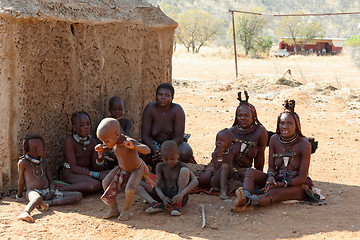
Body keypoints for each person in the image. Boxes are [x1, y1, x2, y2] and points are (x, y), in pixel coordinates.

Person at [232, 100, 312, 211]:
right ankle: (245, 196)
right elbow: (271, 167)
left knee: (273, 192)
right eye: (282, 123)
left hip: (296, 185)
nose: (285, 127)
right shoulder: (274, 139)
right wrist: (270, 176)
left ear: (297, 126)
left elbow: (302, 178)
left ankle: (248, 202)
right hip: (276, 180)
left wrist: (279, 184)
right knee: (250, 172)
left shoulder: (304, 144)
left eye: (289, 124)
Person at [198, 91, 268, 188]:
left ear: (253, 116)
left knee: (251, 180)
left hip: (242, 169)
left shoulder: (260, 131)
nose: (243, 118)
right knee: (204, 179)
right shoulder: (230, 132)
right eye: (240, 116)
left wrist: (258, 175)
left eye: (246, 116)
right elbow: (218, 155)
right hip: (222, 165)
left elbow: (260, 158)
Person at [96, 118, 154, 221]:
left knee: (130, 189)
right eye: (103, 141)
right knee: (105, 182)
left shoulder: (128, 142)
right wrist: (102, 150)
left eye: (106, 141)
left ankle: (126, 210)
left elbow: (147, 150)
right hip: (122, 167)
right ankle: (114, 209)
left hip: (136, 168)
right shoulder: (113, 141)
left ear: (117, 134)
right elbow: (109, 147)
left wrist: (134, 146)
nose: (105, 143)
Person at [17, 134, 82, 223]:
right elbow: (21, 181)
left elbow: (51, 181)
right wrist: (19, 195)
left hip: (48, 192)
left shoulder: (44, 162)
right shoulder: (23, 163)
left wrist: (51, 192)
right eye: (43, 148)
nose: (45, 150)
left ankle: (48, 203)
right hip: (33, 191)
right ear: (35, 150)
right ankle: (25, 212)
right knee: (37, 198)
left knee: (78, 195)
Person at [141, 83, 194, 171]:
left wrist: (166, 150)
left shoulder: (177, 110)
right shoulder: (150, 109)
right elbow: (145, 136)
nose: (163, 98)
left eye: (167, 95)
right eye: (160, 94)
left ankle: (167, 163)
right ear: (156, 96)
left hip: (173, 144)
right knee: (140, 152)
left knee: (185, 152)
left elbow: (179, 137)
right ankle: (158, 162)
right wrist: (156, 150)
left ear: (172, 98)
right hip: (154, 145)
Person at [137, 140, 198, 216]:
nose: (169, 162)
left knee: (185, 171)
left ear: (178, 155)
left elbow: (195, 181)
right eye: (166, 159)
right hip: (163, 195)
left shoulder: (182, 165)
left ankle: (177, 205)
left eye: (172, 159)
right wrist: (163, 198)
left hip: (178, 196)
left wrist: (181, 194)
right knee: (137, 184)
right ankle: (155, 203)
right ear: (161, 156)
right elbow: (157, 186)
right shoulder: (160, 166)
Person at [61, 111, 109, 194]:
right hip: (71, 174)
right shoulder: (70, 141)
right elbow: (74, 168)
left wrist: (100, 158)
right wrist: (96, 175)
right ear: (74, 127)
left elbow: (95, 167)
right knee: (95, 184)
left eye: (88, 124)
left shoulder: (93, 142)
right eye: (82, 125)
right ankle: (61, 189)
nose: (86, 127)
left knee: (114, 174)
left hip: (87, 174)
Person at [210, 128, 236, 200]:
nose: (218, 142)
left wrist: (234, 170)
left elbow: (231, 164)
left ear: (229, 143)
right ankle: (223, 192)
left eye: (222, 140)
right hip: (215, 180)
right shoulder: (215, 154)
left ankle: (219, 189)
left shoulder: (231, 153)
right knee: (224, 166)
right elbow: (218, 167)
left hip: (226, 179)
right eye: (217, 140)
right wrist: (220, 155)